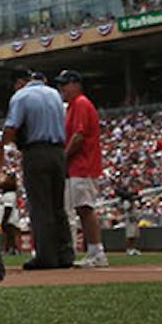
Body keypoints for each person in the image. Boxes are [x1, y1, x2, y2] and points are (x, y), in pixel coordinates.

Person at [4, 70, 73, 269]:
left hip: (35, 152)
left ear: (21, 82)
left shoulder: (22, 96)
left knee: (40, 206)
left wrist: (1, 147)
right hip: (58, 152)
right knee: (58, 206)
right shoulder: (54, 95)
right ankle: (65, 254)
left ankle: (46, 256)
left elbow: (12, 127)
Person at [56, 70, 106, 268]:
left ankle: (97, 252)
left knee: (85, 208)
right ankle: (93, 251)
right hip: (77, 165)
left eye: (65, 84)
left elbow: (78, 136)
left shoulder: (81, 103)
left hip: (83, 164)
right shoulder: (73, 106)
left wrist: (64, 157)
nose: (62, 89)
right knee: (81, 208)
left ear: (76, 84)